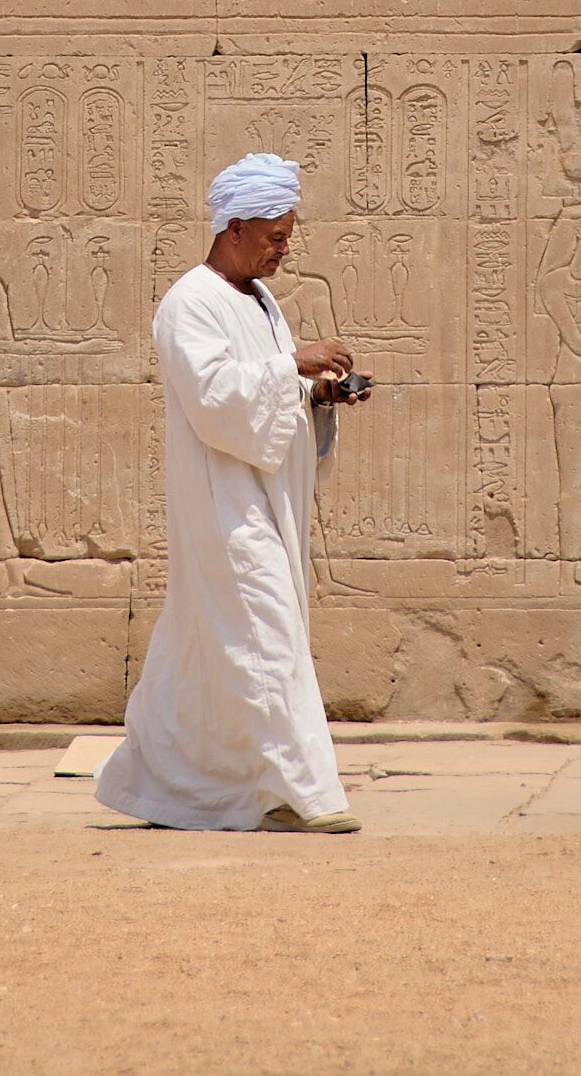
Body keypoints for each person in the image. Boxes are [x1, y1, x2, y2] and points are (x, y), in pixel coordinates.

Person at [95, 153, 371, 834]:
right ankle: (306, 795)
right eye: (276, 236)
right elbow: (214, 397)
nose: (285, 249)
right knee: (268, 638)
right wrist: (293, 363)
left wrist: (318, 393)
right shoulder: (189, 302)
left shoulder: (260, 300)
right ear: (236, 227)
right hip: (225, 508)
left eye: (288, 236)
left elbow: (267, 392)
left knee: (215, 651)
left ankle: (177, 784)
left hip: (265, 500)